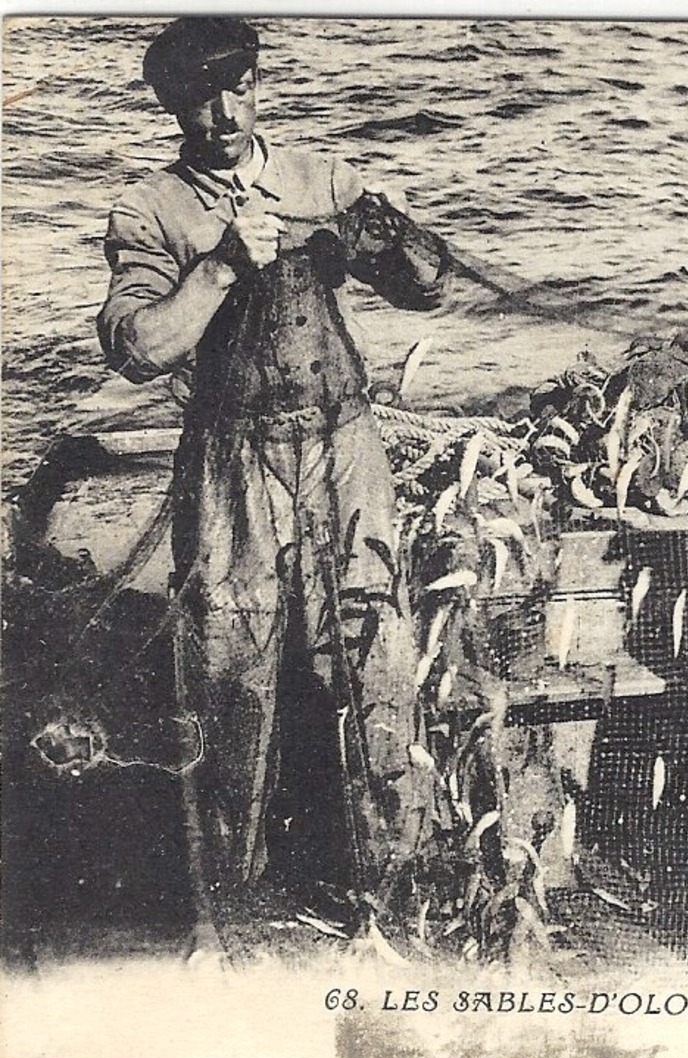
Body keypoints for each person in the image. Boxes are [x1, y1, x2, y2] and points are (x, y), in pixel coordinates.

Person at [97, 17, 448, 898]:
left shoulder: (321, 178)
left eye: (240, 87)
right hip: (232, 457)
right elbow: (137, 347)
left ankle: (385, 870)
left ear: (260, 84)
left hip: (344, 446)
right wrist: (218, 267)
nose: (222, 112)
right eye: (200, 95)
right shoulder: (151, 208)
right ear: (173, 102)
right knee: (228, 661)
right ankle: (230, 886)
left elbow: (431, 284)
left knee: (372, 648)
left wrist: (372, 240)